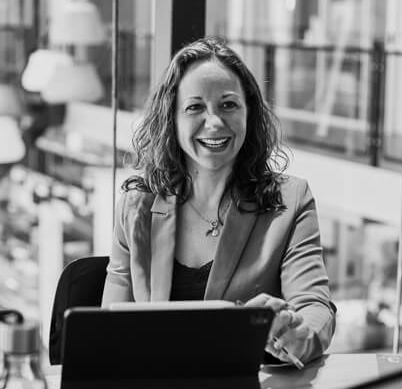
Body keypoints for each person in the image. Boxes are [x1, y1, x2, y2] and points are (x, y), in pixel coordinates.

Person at [102, 37, 336, 365]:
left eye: (228, 105)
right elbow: (108, 332)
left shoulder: (291, 200)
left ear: (248, 113)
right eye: (195, 107)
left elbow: (315, 308)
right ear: (172, 117)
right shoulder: (135, 205)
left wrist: (296, 333)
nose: (214, 122)